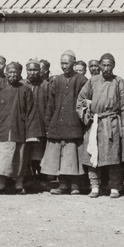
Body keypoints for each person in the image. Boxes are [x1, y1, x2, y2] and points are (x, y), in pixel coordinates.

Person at [0, 62, 43, 194]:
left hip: (19, 131)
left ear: (19, 74)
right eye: (10, 72)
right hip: (1, 131)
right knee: (0, 160)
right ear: (6, 73)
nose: (12, 75)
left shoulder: (26, 91)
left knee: (20, 160)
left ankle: (18, 184)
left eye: (15, 72)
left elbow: (32, 113)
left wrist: (31, 133)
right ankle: (1, 184)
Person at [77, 53, 124, 199]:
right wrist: (87, 115)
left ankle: (114, 187)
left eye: (109, 65)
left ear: (113, 66)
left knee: (113, 158)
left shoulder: (119, 82)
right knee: (93, 156)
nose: (106, 68)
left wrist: (123, 130)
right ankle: (94, 186)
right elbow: (81, 100)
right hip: (95, 124)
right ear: (100, 66)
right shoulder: (92, 81)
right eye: (104, 65)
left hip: (112, 124)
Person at [41, 50, 88, 195]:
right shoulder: (56, 80)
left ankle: (75, 185)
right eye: (62, 63)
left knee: (73, 156)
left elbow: (85, 103)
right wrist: (48, 124)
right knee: (60, 156)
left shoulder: (81, 80)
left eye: (66, 63)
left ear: (74, 63)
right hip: (58, 124)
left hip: (74, 124)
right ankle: (63, 185)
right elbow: (50, 104)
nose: (64, 66)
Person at [21, 58, 49, 190]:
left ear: (40, 71)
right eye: (30, 70)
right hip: (24, 125)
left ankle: (41, 179)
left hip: (40, 124)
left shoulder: (45, 85)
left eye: (35, 70)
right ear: (26, 71)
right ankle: (27, 178)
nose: (32, 72)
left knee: (39, 154)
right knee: (25, 153)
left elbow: (50, 106)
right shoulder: (21, 85)